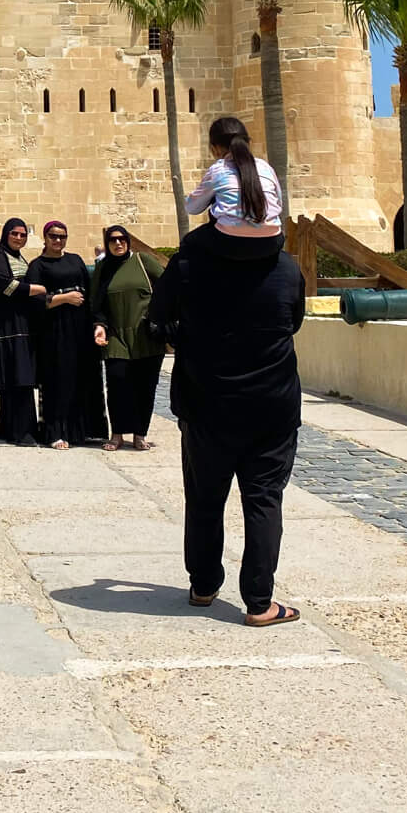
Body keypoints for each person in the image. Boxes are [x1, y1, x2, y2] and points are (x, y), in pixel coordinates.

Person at [159, 115, 309, 628]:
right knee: (263, 500)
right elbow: (293, 323)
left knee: (204, 497)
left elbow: (158, 319)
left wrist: (188, 335)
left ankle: (203, 586)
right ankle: (259, 602)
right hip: (271, 403)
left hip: (206, 401)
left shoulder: (190, 263)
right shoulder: (287, 270)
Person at [89, 225, 168, 451]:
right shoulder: (103, 268)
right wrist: (99, 326)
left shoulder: (143, 261)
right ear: (107, 243)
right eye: (113, 240)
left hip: (146, 335)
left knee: (146, 386)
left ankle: (140, 434)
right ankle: (117, 434)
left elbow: (168, 286)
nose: (118, 244)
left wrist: (158, 314)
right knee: (117, 384)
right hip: (116, 335)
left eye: (122, 239)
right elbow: (97, 303)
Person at [25, 221, 102, 450]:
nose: (58, 241)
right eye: (53, 236)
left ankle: (80, 430)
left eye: (62, 236)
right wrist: (64, 298)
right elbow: (33, 300)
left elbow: (90, 293)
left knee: (81, 379)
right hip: (54, 332)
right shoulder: (38, 265)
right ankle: (55, 432)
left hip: (80, 329)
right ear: (45, 238)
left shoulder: (75, 260)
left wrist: (98, 324)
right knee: (57, 380)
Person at [0, 219, 41, 444]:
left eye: (23, 235)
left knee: (18, 377)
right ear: (5, 233)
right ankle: (23, 432)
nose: (18, 238)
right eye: (14, 233)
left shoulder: (15, 256)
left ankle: (8, 428)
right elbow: (6, 286)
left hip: (21, 324)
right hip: (5, 327)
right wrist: (38, 290)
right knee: (18, 377)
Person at [184, 115, 286, 236]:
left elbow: (192, 208)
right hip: (272, 239)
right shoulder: (265, 167)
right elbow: (278, 202)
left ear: (214, 149)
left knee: (189, 242)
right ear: (248, 144)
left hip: (230, 240)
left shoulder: (218, 170)